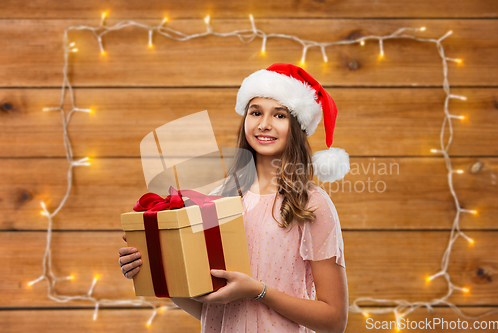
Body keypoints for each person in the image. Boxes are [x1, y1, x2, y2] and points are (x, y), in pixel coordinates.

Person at [118, 63, 350, 333]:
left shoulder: (311, 204)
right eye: (255, 112)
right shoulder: (218, 200)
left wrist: (257, 291)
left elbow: (334, 320)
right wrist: (155, 266)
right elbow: (211, 309)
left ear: (297, 125)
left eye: (279, 115)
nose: (264, 124)